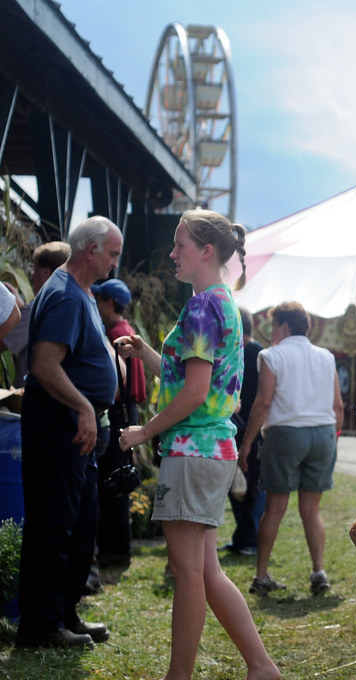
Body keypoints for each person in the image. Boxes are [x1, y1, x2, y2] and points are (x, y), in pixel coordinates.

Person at [116, 209, 279, 680]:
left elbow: (194, 393)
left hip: (192, 451)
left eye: (179, 244)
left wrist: (144, 432)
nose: (172, 253)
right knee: (206, 572)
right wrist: (147, 352)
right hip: (213, 449)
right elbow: (192, 379)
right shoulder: (221, 302)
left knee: (189, 572)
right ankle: (261, 667)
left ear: (207, 251)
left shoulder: (201, 306)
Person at [14, 217, 121, 649]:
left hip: (76, 426)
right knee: (54, 524)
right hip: (60, 423)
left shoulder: (79, 291)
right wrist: (83, 406)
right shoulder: (64, 294)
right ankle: (41, 625)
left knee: (79, 522)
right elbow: (43, 364)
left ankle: (63, 613)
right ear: (90, 250)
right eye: (112, 253)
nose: (114, 262)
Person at [238, 301, 344, 596]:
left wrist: (247, 443)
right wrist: (333, 438)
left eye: (273, 326)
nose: (271, 332)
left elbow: (263, 403)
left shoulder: (271, 355)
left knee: (274, 509)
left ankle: (261, 576)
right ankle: (319, 572)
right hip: (323, 433)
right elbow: (338, 406)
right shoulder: (326, 357)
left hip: (285, 434)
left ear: (283, 326)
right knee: (311, 510)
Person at [91, 278, 146, 569]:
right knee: (119, 476)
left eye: (100, 300)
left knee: (113, 480)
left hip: (117, 412)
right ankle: (118, 548)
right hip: (129, 411)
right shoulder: (128, 330)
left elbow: (115, 381)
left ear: (109, 303)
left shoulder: (115, 335)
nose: (96, 304)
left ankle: (116, 549)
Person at [223, 308, 265, 556]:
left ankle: (250, 539)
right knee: (238, 485)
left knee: (250, 487)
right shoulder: (242, 352)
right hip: (240, 428)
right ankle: (242, 537)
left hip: (251, 430)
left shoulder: (256, 354)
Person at [0, 241, 72, 387]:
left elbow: (2, 342)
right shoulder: (67, 304)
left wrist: (10, 309)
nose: (32, 275)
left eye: (34, 269)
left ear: (45, 273)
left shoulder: (38, 308)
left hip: (30, 393)